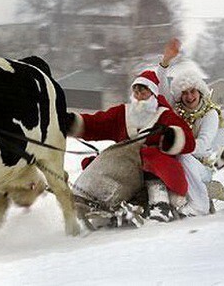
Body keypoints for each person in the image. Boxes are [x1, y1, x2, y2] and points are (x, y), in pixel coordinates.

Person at [68, 69, 196, 222]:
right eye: (136, 92)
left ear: (153, 94)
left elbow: (188, 141)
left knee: (150, 155)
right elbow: (97, 123)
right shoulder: (123, 113)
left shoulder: (165, 115)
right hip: (126, 168)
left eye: (143, 92)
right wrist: (72, 123)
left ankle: (160, 203)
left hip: (155, 168)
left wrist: (171, 137)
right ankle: (97, 201)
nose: (139, 96)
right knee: (103, 159)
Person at [156, 38, 224, 215]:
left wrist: (179, 146)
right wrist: (165, 61)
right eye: (185, 93)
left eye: (192, 92)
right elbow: (161, 87)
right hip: (177, 161)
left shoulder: (209, 114)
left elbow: (203, 145)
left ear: (200, 91)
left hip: (201, 167)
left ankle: (199, 205)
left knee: (184, 157)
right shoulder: (177, 108)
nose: (189, 97)